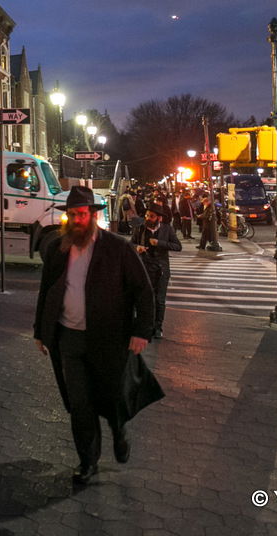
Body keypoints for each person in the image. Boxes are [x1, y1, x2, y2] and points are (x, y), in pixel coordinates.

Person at [33, 185, 157, 485]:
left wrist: (142, 332)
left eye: (82, 214)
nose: (77, 220)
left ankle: (119, 432)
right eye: (72, 214)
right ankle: (87, 462)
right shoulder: (58, 249)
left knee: (112, 397)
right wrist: (41, 330)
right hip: (69, 339)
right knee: (80, 404)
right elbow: (46, 291)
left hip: (109, 339)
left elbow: (144, 291)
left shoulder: (117, 248)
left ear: (93, 216)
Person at [132, 204, 181, 339]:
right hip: (145, 268)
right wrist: (137, 248)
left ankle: (158, 327)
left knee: (160, 300)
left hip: (161, 270)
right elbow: (131, 244)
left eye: (151, 216)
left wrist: (160, 243)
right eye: (147, 215)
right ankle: (146, 326)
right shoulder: (140, 229)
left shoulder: (167, 229)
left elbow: (178, 246)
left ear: (159, 218)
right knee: (146, 298)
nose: (148, 218)